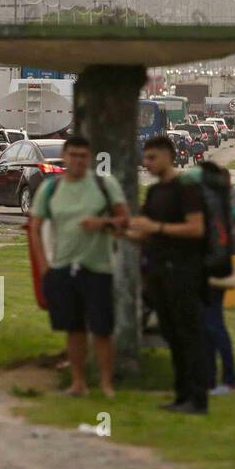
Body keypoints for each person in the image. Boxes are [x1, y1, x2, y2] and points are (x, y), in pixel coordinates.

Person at [29, 135, 130, 397]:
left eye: (82, 156)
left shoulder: (104, 185)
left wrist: (101, 224)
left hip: (98, 267)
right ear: (64, 157)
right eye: (72, 155)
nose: (77, 160)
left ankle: (107, 384)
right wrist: (44, 267)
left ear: (89, 158)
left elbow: (124, 221)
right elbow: (35, 228)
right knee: (73, 330)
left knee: (102, 330)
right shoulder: (50, 188)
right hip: (62, 267)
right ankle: (78, 383)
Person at [127, 135, 209, 414]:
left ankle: (198, 398)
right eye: (145, 158)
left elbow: (196, 228)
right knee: (172, 335)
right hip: (158, 273)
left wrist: (157, 228)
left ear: (168, 156)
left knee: (189, 335)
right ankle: (181, 395)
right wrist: (115, 230)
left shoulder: (186, 187)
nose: (146, 163)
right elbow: (143, 231)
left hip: (184, 271)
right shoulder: (154, 192)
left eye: (152, 158)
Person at [204, 184, 235, 395]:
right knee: (208, 328)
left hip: (215, 274)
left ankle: (229, 379)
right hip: (208, 273)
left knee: (214, 326)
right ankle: (210, 379)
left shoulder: (230, 201)